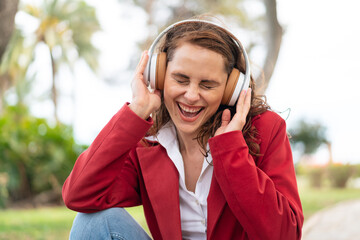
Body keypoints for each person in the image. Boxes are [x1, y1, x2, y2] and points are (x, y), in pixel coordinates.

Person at [62, 17, 304, 240]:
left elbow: (285, 235)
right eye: (180, 79)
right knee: (94, 221)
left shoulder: (266, 129)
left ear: (230, 90)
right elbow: (79, 195)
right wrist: (136, 111)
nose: (190, 95)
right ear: (158, 75)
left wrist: (231, 151)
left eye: (207, 85)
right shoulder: (147, 142)